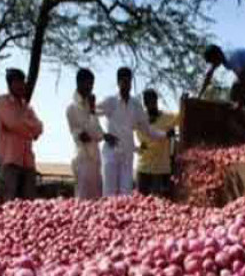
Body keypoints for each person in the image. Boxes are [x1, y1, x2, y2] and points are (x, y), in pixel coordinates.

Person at [96, 67, 174, 197]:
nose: (127, 85)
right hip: (111, 153)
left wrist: (165, 134)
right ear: (118, 82)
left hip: (127, 155)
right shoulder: (111, 101)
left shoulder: (136, 105)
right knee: (109, 194)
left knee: (125, 195)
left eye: (129, 81)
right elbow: (92, 112)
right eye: (124, 81)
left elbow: (148, 130)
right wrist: (103, 134)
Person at [66, 68, 117, 200]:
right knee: (82, 199)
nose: (90, 87)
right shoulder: (71, 108)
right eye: (88, 83)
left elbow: (97, 132)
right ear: (79, 82)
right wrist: (86, 135)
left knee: (95, 199)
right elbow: (79, 134)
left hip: (95, 157)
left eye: (92, 84)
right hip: (82, 157)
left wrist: (105, 136)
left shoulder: (90, 107)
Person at [198, 45, 245, 144]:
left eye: (213, 62)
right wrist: (199, 95)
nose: (213, 65)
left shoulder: (231, 59)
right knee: (235, 89)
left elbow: (244, 78)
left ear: (217, 57)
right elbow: (209, 75)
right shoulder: (221, 57)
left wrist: (240, 102)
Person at [0, 68, 43, 201]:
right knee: (8, 203)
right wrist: (30, 131)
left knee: (28, 204)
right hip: (10, 160)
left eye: (23, 82)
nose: (22, 85)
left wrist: (26, 127)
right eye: (18, 82)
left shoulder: (27, 106)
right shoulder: (2, 102)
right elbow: (13, 123)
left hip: (28, 162)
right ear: (10, 84)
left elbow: (39, 127)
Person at [136, 89, 180, 197]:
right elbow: (146, 141)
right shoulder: (140, 120)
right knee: (140, 202)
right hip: (143, 167)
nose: (150, 104)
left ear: (156, 100)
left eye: (152, 100)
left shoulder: (167, 118)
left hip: (160, 169)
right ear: (144, 103)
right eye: (146, 101)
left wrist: (183, 101)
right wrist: (165, 135)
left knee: (158, 203)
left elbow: (181, 115)